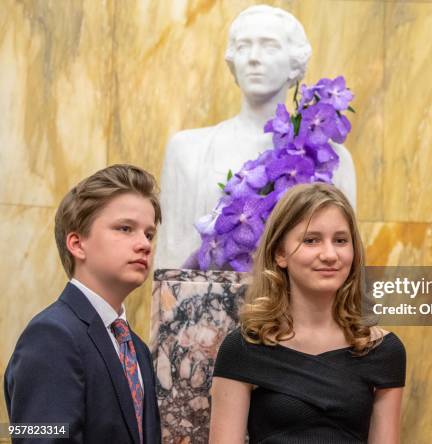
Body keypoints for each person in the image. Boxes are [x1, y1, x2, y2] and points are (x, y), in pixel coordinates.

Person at [154, 5, 356, 269]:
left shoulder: (332, 160)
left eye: (269, 47)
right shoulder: (188, 149)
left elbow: (345, 267)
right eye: (243, 46)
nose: (253, 58)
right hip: (203, 305)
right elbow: (170, 262)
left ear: (294, 65)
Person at [208, 183, 405, 443]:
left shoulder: (383, 350)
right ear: (280, 254)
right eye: (311, 240)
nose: (330, 254)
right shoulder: (243, 347)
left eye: (341, 240)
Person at [4, 165, 162, 443]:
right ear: (77, 244)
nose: (144, 244)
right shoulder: (51, 336)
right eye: (125, 228)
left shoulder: (136, 348)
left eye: (149, 234)